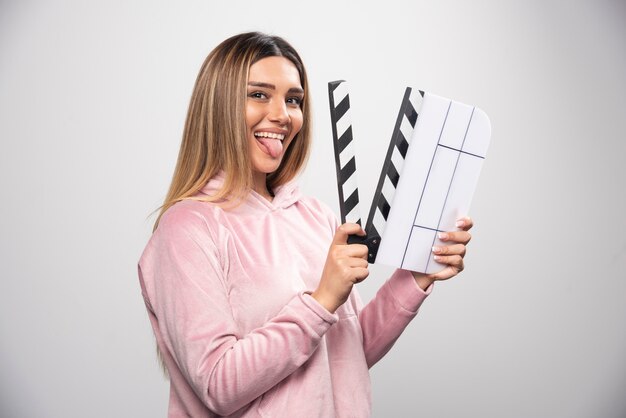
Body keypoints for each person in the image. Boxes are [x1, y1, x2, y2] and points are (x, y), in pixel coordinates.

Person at [138, 31, 473, 418]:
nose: (283, 115)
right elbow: (218, 383)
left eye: (293, 100)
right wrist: (322, 300)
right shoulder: (187, 229)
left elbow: (347, 355)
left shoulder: (315, 216)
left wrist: (415, 275)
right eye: (259, 94)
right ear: (218, 107)